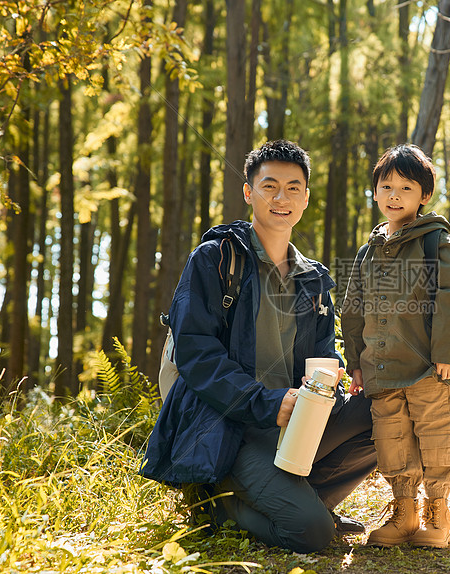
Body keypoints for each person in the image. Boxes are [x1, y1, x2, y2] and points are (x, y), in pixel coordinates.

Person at [140, 140, 376, 553]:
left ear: (306, 197)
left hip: (292, 426)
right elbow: (197, 356)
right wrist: (267, 403)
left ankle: (304, 498)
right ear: (249, 193)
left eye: (293, 187)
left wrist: (332, 381)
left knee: (381, 407)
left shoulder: (311, 279)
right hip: (229, 428)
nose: (281, 198)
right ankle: (215, 505)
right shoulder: (216, 259)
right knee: (311, 533)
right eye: (269, 186)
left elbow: (321, 353)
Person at [341, 144, 450, 548]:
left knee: (435, 442)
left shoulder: (434, 243)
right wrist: (356, 362)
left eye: (406, 187)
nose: (394, 195)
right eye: (386, 186)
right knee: (392, 442)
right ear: (376, 192)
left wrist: (448, 353)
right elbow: (353, 307)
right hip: (382, 370)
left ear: (424, 196)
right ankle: (404, 513)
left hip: (428, 370)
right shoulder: (369, 251)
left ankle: (438, 514)